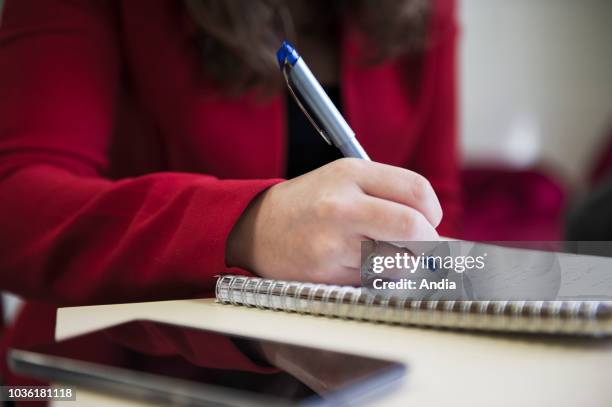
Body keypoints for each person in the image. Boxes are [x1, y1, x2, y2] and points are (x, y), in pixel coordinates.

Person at [0, 0, 460, 383]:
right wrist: (249, 226)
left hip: (365, 377)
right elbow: (16, 204)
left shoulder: (425, 9)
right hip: (113, 376)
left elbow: (437, 203)